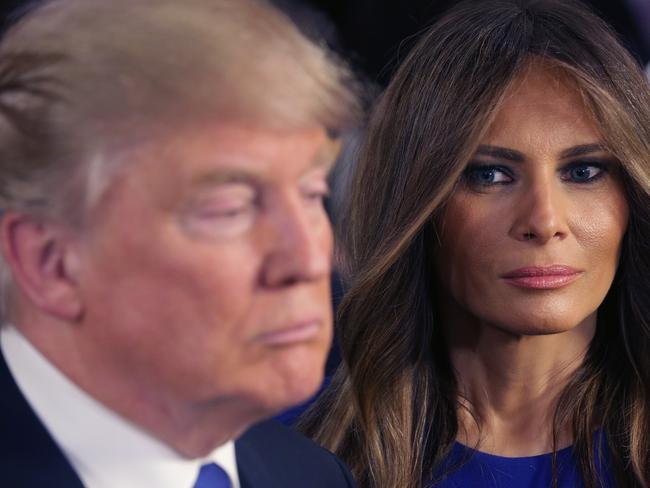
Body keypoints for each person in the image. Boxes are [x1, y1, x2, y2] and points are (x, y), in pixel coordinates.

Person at [0, 0, 360, 486]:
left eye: (312, 193)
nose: (310, 259)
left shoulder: (313, 475)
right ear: (53, 263)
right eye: (230, 210)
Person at [299, 0, 650, 487]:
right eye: (490, 174)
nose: (544, 221)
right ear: (418, 201)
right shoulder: (283, 457)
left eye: (584, 171)